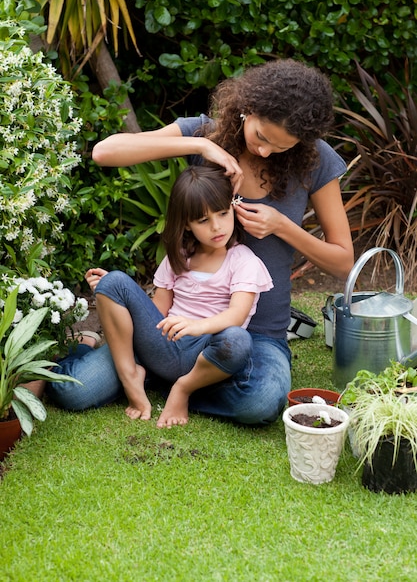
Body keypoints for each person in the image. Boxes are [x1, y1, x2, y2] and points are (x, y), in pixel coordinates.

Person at [49, 58, 354, 425]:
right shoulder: (204, 133)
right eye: (261, 137)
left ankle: (173, 381)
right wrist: (200, 146)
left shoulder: (315, 160)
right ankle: (117, 354)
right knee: (74, 390)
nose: (265, 152)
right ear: (248, 108)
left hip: (253, 336)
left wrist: (283, 227)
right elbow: (105, 151)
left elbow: (342, 262)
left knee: (262, 402)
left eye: (281, 147)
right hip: (177, 329)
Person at [49, 164, 273, 428]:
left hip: (204, 354)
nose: (216, 226)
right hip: (161, 347)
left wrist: (196, 326)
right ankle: (124, 371)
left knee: (237, 340)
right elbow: (158, 310)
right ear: (187, 225)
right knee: (70, 391)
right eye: (203, 220)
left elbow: (237, 315)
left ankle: (182, 388)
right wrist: (114, 292)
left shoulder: (243, 261)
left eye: (223, 214)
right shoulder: (179, 257)